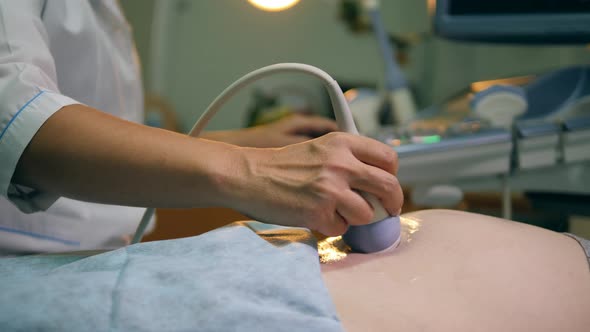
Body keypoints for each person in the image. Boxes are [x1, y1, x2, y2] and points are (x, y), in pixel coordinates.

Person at [0, 1, 403, 254]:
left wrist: (249, 145)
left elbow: (101, 127)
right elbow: (19, 125)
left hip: (95, 253)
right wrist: (252, 169)